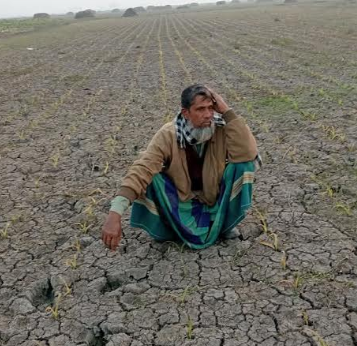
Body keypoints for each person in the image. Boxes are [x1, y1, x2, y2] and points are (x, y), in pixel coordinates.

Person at [101, 84, 260, 250]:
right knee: (152, 177)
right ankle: (167, 229)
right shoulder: (169, 134)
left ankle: (225, 225)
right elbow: (143, 167)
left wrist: (227, 111)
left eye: (210, 108)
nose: (207, 115)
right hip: (182, 203)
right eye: (200, 109)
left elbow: (248, 154)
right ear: (186, 112)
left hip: (214, 200)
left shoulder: (221, 129)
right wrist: (115, 213)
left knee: (243, 166)